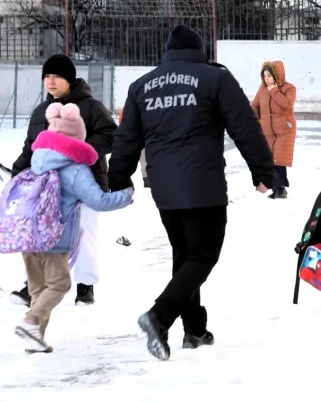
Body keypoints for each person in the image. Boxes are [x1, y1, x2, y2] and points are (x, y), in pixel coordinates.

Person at [107, 24, 275, 361]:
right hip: (203, 186)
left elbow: (126, 139)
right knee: (203, 255)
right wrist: (263, 170)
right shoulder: (215, 78)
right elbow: (244, 125)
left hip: (164, 188)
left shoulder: (142, 86)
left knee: (185, 254)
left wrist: (119, 177)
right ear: (199, 50)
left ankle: (194, 329)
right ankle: (159, 317)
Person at [14, 103, 133, 353]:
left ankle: (36, 338)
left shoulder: (38, 160)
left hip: (30, 236)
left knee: (39, 289)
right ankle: (31, 322)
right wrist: (126, 195)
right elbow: (98, 200)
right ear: (78, 137)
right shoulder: (75, 168)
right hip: (54, 239)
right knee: (60, 285)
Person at [9, 54, 115, 308]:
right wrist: (18, 170)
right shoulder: (40, 112)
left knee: (84, 234)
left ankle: (85, 286)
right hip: (48, 188)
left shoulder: (91, 107)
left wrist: (77, 150)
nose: (51, 81)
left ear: (69, 79)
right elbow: (32, 147)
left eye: (57, 76)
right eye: (46, 76)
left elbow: (111, 135)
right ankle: (33, 285)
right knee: (40, 235)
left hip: (85, 184)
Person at [251, 60, 297, 199]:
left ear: (277, 75)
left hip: (284, 130)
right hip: (268, 130)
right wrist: (259, 121)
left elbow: (286, 104)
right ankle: (278, 189)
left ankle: (280, 190)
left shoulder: (289, 88)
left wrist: (274, 90)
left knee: (279, 160)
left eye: (269, 75)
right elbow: (254, 106)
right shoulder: (262, 90)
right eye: (264, 76)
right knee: (271, 160)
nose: (266, 79)